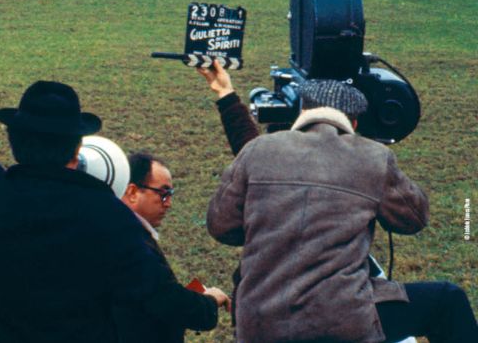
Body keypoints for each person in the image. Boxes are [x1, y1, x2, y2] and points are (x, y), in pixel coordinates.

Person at [0, 0, 228, 341]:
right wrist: (206, 304)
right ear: (77, 151)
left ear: (12, 139)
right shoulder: (110, 218)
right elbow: (160, 297)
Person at [201, 65, 478, 342]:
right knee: (447, 300)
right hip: (342, 322)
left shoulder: (257, 149)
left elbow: (221, 227)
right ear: (355, 123)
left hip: (259, 325)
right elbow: (414, 219)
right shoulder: (373, 157)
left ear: (301, 112)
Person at [113, 152, 229, 342]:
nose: (169, 204)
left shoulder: (122, 231)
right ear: (132, 192)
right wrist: (210, 301)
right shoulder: (130, 242)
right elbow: (166, 300)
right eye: (163, 193)